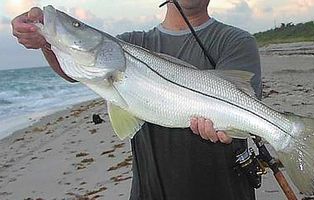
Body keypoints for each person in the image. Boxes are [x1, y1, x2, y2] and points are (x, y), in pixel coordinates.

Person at [11, 0, 261, 199]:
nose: (77, 27)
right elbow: (73, 71)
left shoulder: (235, 41)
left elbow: (243, 102)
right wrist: (47, 40)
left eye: (78, 25)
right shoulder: (131, 43)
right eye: (79, 26)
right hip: (149, 191)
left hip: (224, 190)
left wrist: (230, 128)